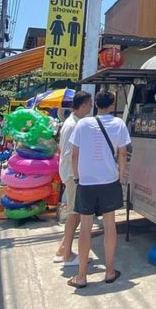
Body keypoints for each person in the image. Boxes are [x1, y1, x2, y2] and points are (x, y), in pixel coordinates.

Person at [67, 91, 130, 288]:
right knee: (110, 224)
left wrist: (77, 175)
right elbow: (122, 152)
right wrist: (121, 174)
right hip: (109, 180)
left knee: (85, 226)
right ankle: (109, 271)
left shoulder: (83, 124)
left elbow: (75, 154)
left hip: (86, 182)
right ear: (112, 105)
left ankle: (81, 275)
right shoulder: (118, 124)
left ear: (96, 105)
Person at [53, 90, 93, 266]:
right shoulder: (72, 125)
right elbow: (69, 154)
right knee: (74, 214)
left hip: (71, 173)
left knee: (75, 213)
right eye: (89, 104)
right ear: (83, 105)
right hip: (72, 174)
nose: (91, 107)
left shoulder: (75, 123)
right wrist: (78, 175)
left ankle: (62, 249)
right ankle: (67, 255)